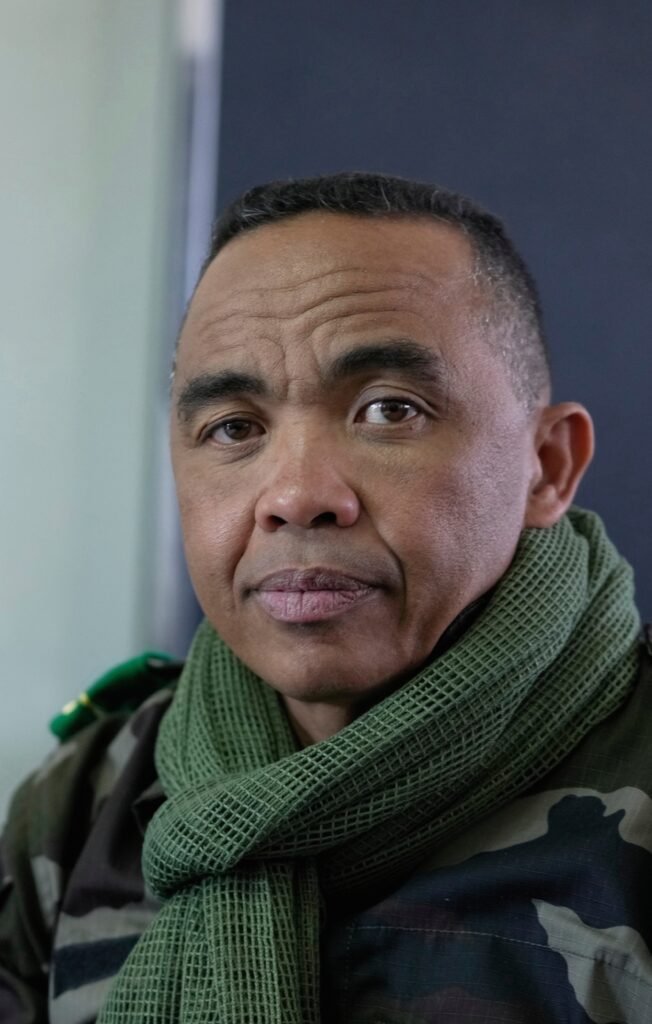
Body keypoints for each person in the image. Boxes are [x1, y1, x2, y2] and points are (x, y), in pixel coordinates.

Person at [1, 172, 649, 1024]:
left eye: (390, 411)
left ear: (548, 467)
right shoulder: (83, 804)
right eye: (234, 428)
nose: (296, 495)